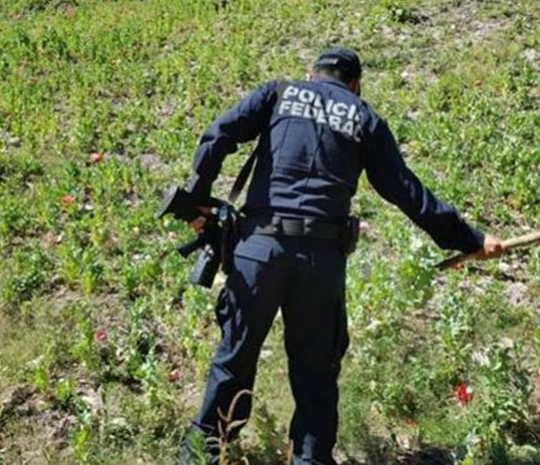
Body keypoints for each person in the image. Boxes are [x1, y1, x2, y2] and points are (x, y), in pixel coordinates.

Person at [179, 47, 504, 465]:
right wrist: (470, 239)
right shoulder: (364, 117)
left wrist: (198, 200)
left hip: (258, 250)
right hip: (319, 260)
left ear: (311, 75)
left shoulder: (278, 94)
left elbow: (217, 135)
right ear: (355, 85)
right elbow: (406, 190)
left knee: (234, 358)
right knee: (316, 374)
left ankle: (205, 454)